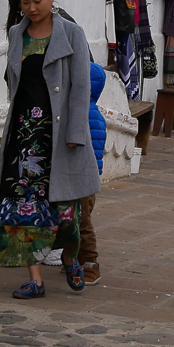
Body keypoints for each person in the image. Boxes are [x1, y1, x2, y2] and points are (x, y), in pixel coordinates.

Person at [0, 0, 99, 298]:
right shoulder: (16, 33)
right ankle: (35, 279)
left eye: (37, 1)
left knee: (67, 213)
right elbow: (11, 81)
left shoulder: (72, 33)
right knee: (25, 208)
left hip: (59, 136)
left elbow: (81, 86)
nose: (31, 8)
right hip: (24, 139)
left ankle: (70, 256)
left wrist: (76, 131)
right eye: (25, 3)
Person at [61, 60, 110, 286]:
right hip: (72, 176)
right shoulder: (92, 114)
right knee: (72, 220)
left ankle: (90, 262)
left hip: (84, 178)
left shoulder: (88, 115)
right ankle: (72, 259)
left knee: (82, 221)